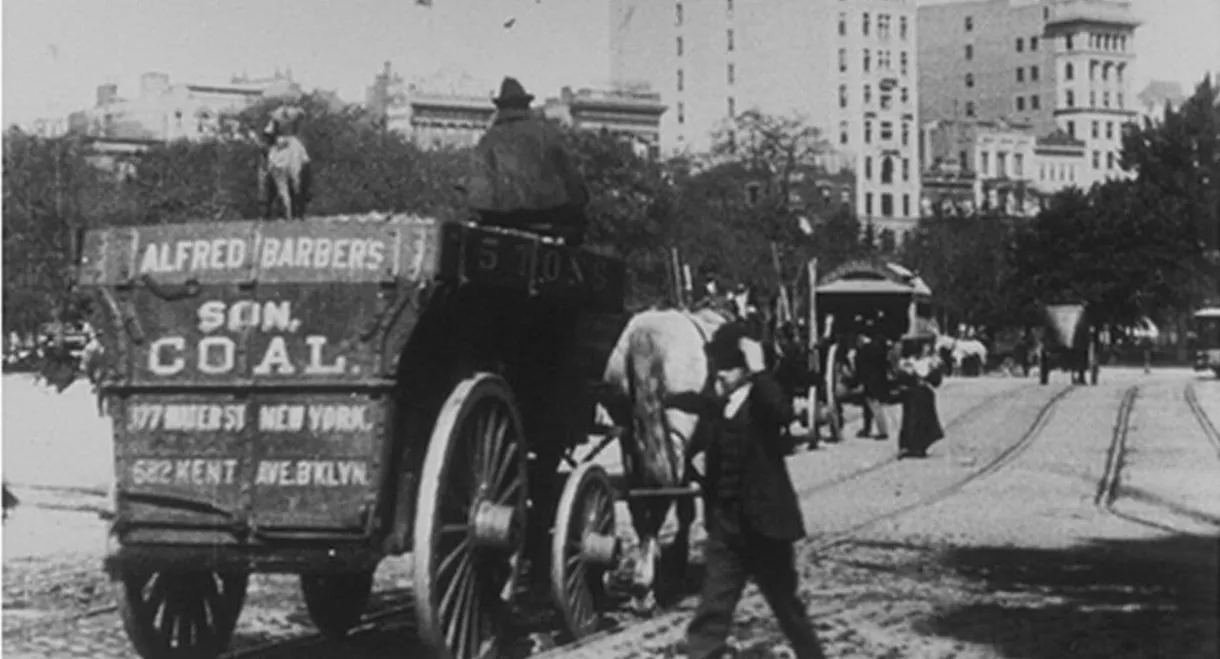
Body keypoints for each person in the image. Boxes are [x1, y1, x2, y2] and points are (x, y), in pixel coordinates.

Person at [682, 322, 828, 659]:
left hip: (766, 527)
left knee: (786, 606)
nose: (720, 374)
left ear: (746, 369)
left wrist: (760, 367)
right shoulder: (721, 405)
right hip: (727, 526)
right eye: (718, 366)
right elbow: (697, 405)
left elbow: (782, 410)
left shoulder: (763, 400)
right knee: (713, 605)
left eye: (730, 367)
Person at [461, 77, 590, 245]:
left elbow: (477, 195)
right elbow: (573, 182)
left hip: (500, 220)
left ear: (500, 107)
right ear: (525, 104)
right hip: (550, 216)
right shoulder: (546, 133)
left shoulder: (488, 141)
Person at [895, 338, 945, 459]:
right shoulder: (907, 363)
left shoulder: (932, 362)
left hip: (924, 394)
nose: (926, 349)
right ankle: (910, 446)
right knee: (911, 419)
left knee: (924, 419)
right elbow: (901, 379)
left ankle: (921, 446)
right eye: (924, 346)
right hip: (912, 394)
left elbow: (936, 381)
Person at [854, 327, 891, 440]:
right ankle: (867, 428)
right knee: (869, 406)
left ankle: (883, 431)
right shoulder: (879, 347)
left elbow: (861, 366)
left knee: (875, 405)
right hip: (879, 379)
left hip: (870, 381)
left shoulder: (866, 350)